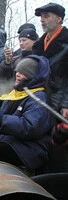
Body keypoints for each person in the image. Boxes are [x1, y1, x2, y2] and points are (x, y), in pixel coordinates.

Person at [0, 55, 53, 174]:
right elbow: (1, 121)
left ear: (34, 77)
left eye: (23, 73)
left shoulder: (38, 98)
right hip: (11, 140)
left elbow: (30, 128)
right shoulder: (15, 93)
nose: (17, 74)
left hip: (31, 147)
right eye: (17, 71)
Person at [32, 2, 68, 173]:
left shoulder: (66, 42)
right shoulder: (38, 45)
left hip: (62, 103)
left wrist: (67, 103)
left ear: (59, 19)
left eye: (47, 16)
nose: (42, 20)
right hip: (42, 100)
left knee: (60, 144)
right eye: (41, 17)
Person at [0, 28, 39, 105]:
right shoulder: (15, 58)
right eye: (20, 41)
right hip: (13, 95)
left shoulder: (39, 59)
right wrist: (7, 62)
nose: (21, 43)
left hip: (30, 97)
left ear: (34, 41)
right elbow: (4, 77)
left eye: (24, 40)